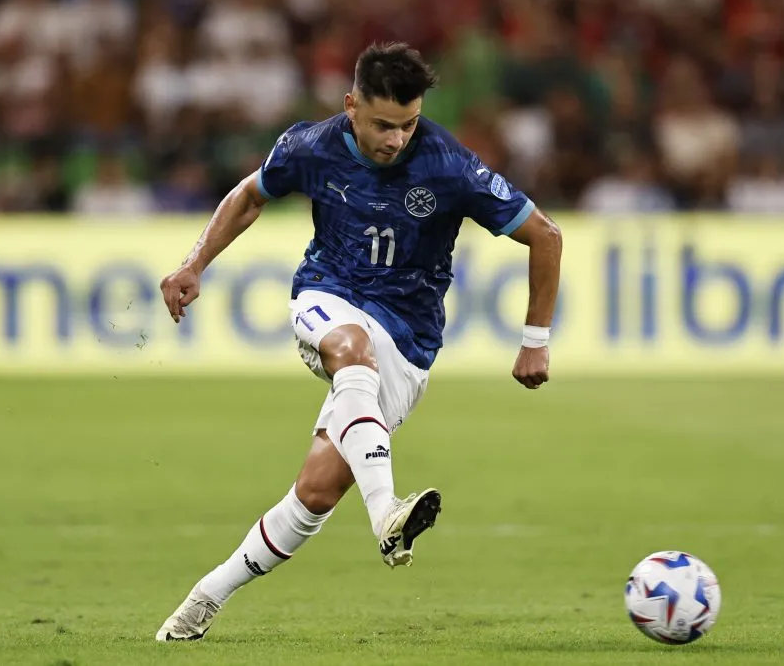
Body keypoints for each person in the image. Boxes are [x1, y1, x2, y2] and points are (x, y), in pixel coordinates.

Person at [155, 42, 562, 642]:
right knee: (350, 346)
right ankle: (386, 515)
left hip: (410, 340)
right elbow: (248, 197)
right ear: (351, 106)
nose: (396, 139)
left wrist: (535, 340)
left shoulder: (449, 165)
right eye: (382, 125)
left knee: (316, 493)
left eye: (408, 124)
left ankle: (204, 598)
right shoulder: (310, 146)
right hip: (328, 295)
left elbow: (546, 236)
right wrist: (194, 265)